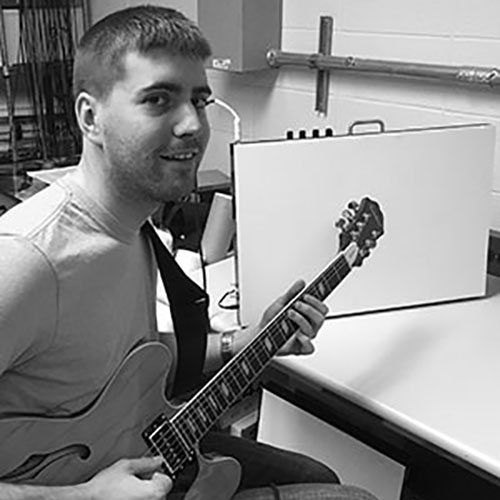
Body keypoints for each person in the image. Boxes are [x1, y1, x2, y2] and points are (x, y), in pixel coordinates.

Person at [0, 6, 378, 500]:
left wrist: (245, 341)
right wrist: (81, 496)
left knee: (318, 476)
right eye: (158, 99)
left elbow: (121, 360)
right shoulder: (29, 261)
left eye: (199, 101)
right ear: (90, 118)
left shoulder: (134, 226)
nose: (192, 126)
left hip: (134, 446)